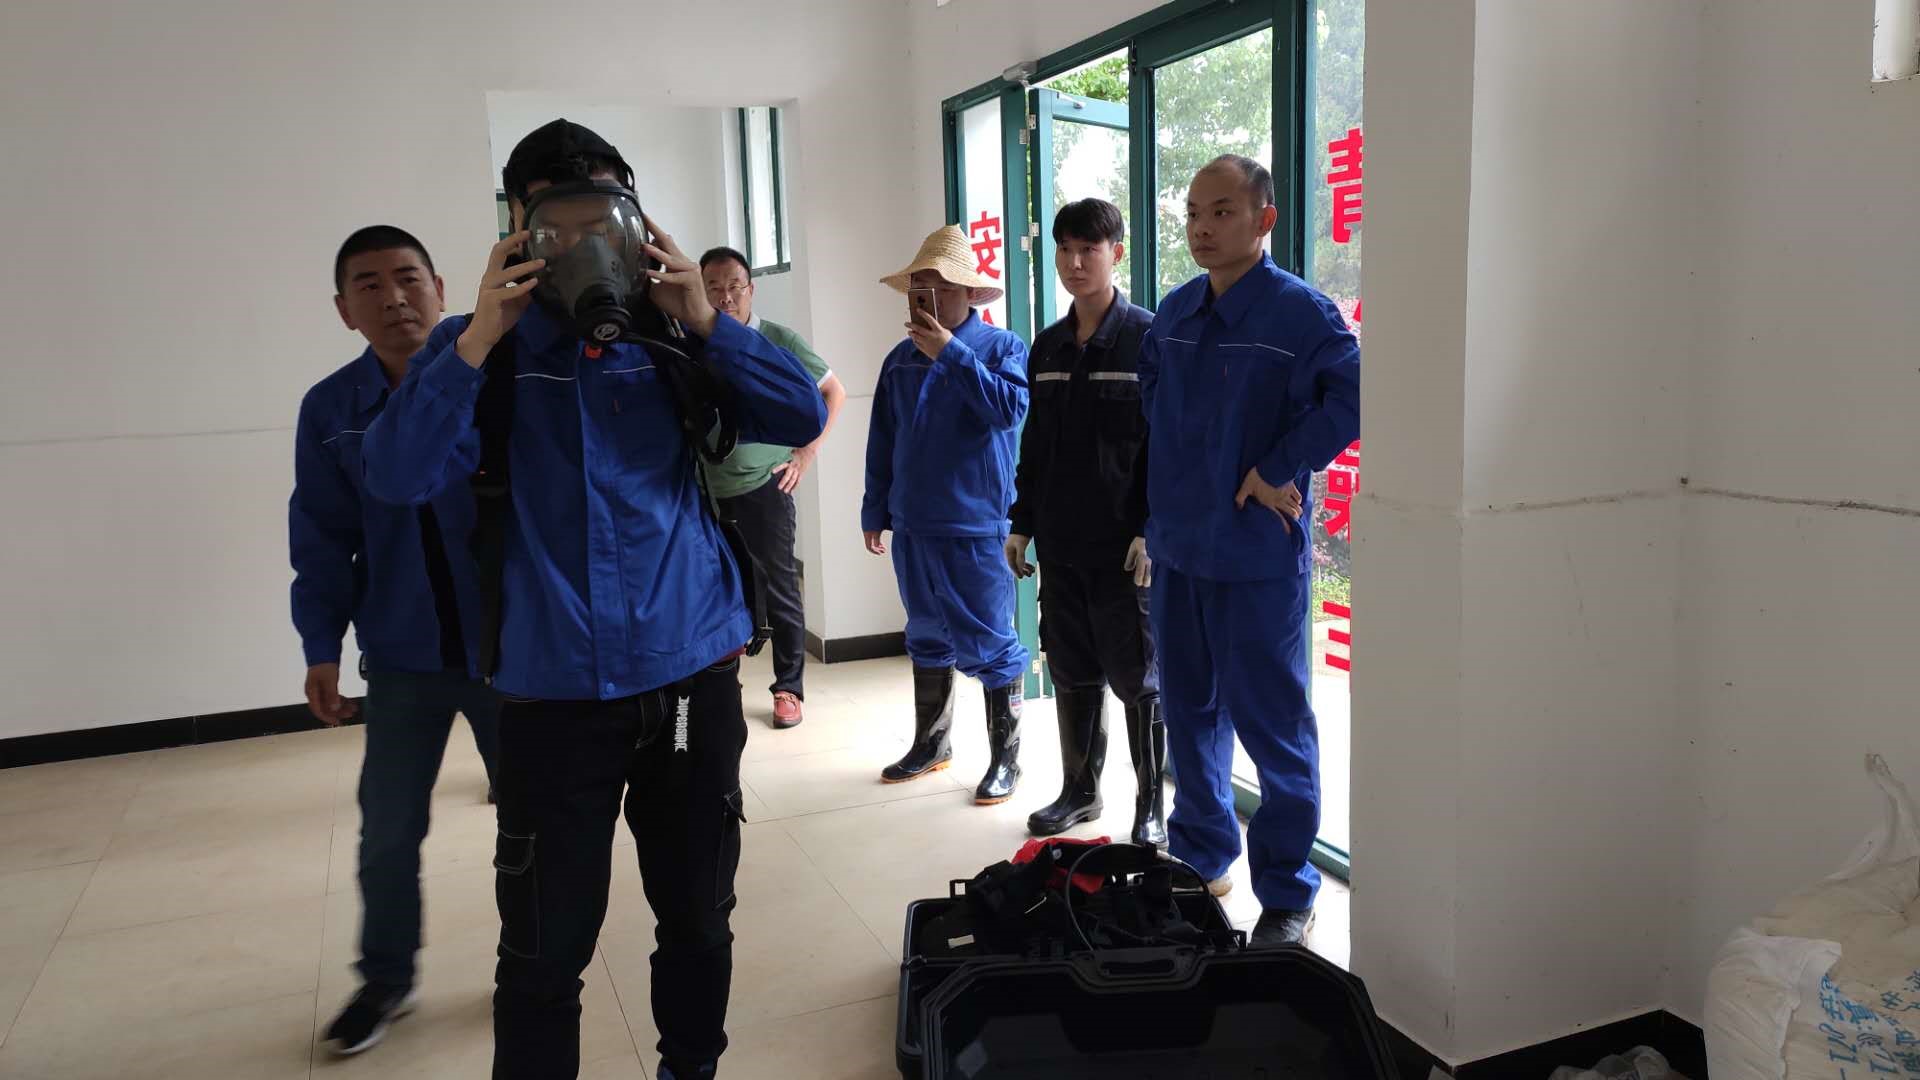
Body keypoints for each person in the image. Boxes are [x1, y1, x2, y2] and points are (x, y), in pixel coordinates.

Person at [362, 120, 825, 1080]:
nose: (584, 246)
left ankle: (690, 1067)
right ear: (517, 230)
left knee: (698, 917)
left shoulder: (675, 335)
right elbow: (397, 475)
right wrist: (477, 338)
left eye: (603, 220)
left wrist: (710, 322)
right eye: (556, 226)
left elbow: (799, 411)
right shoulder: (479, 352)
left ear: (636, 222)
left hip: (691, 674)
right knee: (542, 950)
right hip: (551, 695)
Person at [290, 225, 503, 1056]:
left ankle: (532, 964)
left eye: (409, 278)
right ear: (344, 309)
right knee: (386, 832)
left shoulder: (496, 380)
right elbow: (322, 538)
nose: (394, 298)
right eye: (369, 285)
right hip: (405, 659)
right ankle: (385, 978)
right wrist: (320, 647)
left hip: (510, 651)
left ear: (442, 289)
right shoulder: (331, 410)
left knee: (531, 824)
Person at [1138, 155, 1359, 948]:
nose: (1202, 228)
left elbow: (1356, 396)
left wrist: (1280, 465)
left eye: (1223, 211)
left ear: (1265, 219)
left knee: (1273, 725)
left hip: (1257, 560)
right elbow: (1152, 415)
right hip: (1180, 551)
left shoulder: (1301, 314)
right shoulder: (1173, 313)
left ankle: (1289, 891)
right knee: (1189, 713)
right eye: (1194, 213)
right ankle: (1200, 861)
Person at [1007, 199, 1165, 846]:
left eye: (1089, 249)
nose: (1074, 262)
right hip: (1061, 542)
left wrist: (1153, 528)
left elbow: (1167, 446)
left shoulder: (1148, 339)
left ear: (1116, 254)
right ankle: (1080, 790)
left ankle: (1151, 805)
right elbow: (1035, 445)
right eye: (1065, 249)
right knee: (1071, 668)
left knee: (1138, 676)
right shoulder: (1047, 345)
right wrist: (1021, 523)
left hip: (1125, 548)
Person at [862, 225, 1031, 804]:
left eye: (937, 288)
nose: (924, 299)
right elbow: (882, 440)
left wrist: (951, 355)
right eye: (917, 289)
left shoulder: (1003, 348)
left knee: (993, 642)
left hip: (976, 524)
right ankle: (932, 744)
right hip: (913, 523)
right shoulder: (898, 361)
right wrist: (875, 508)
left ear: (969, 293)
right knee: (926, 634)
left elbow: (1009, 411)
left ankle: (1007, 758)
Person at [698, 246, 846, 729]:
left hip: (765, 485)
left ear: (750, 289)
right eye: (713, 287)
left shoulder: (778, 341)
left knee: (780, 587)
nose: (724, 297)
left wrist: (806, 453)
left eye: (733, 287)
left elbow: (834, 391)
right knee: (714, 589)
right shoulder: (693, 340)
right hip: (704, 489)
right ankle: (723, 685)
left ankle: (789, 688)